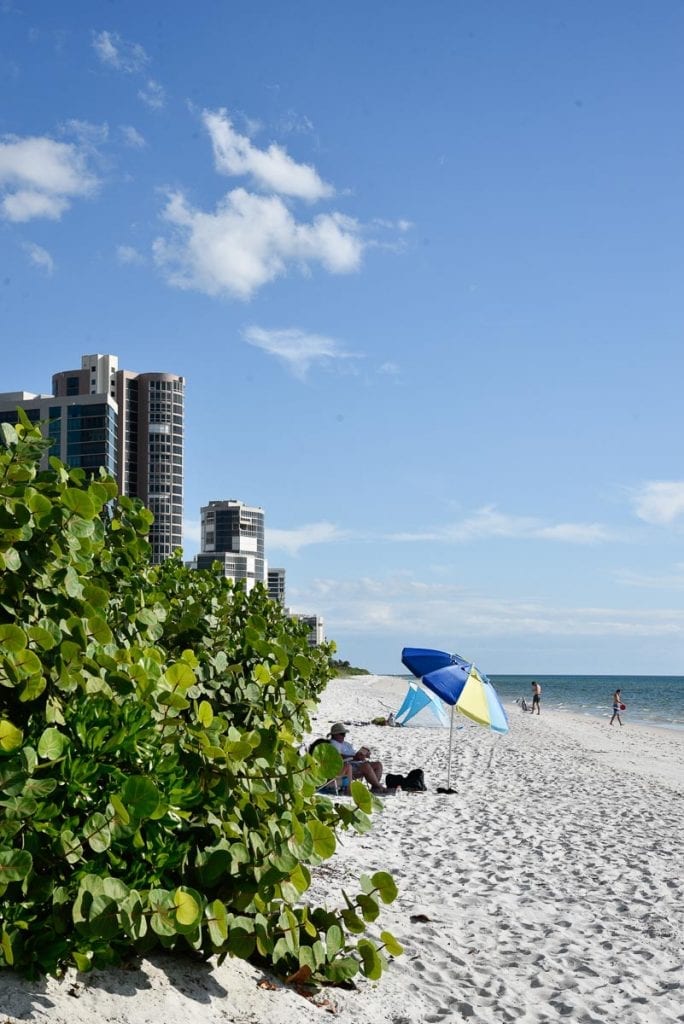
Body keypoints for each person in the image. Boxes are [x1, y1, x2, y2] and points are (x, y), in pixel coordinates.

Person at [328, 723, 386, 793]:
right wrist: (355, 757)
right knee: (366, 766)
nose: (344, 736)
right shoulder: (333, 744)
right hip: (347, 767)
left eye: (344, 734)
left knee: (378, 764)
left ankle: (375, 789)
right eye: (342, 734)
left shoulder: (346, 744)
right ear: (335, 734)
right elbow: (339, 757)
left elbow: (354, 754)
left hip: (356, 763)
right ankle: (379, 786)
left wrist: (362, 755)